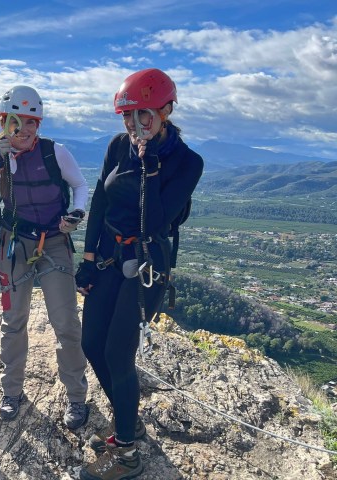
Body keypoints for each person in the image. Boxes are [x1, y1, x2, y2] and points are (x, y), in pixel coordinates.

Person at [76, 68, 203, 479]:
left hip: (147, 265)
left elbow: (155, 222)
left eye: (142, 116)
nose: (134, 126)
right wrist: (88, 257)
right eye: (127, 117)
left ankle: (128, 452)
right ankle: (126, 421)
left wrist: (147, 168)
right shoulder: (118, 146)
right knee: (92, 343)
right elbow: (100, 202)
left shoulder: (187, 163)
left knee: (118, 353)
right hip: (111, 258)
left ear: (165, 111)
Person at [0, 85, 90, 429]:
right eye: (16, 122)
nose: (24, 130)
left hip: (54, 241)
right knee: (13, 321)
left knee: (65, 322)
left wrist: (77, 213)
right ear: (3, 121)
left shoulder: (57, 153)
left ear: (39, 125)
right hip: (16, 243)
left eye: (32, 123)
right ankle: (11, 391)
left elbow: (80, 186)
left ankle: (76, 397)